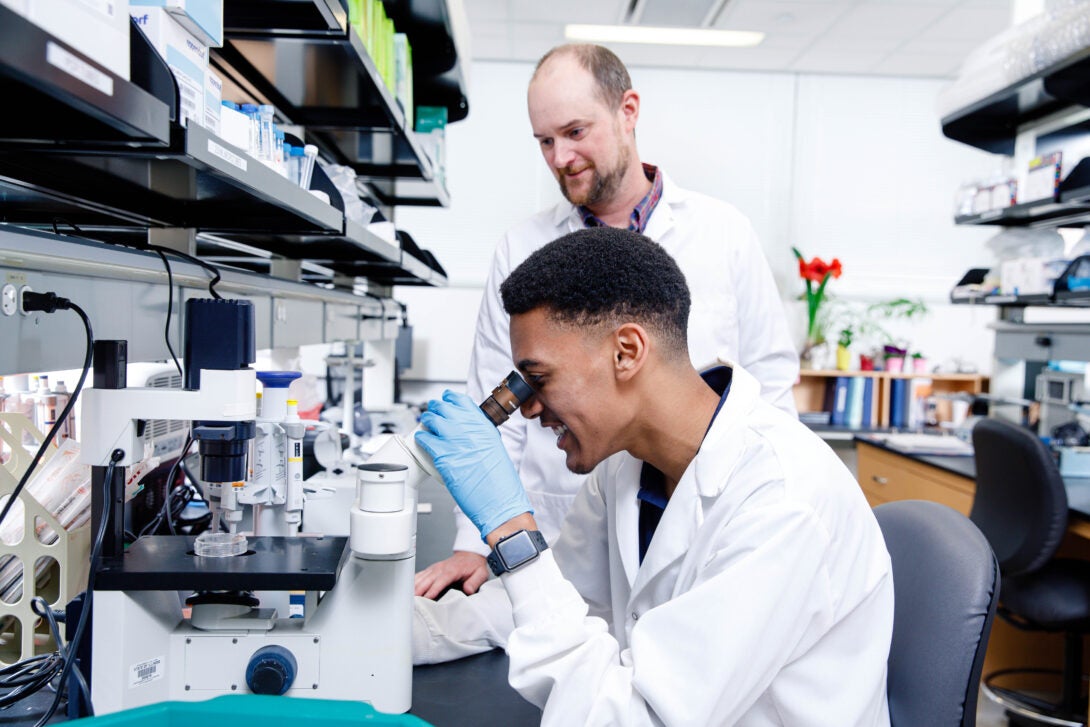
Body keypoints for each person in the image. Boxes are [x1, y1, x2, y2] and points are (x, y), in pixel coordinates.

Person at [413, 227, 893, 725]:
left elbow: (639, 718)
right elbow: (546, 606)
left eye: (539, 378)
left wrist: (512, 531)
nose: (529, 409)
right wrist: (378, 633)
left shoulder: (783, 501)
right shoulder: (624, 469)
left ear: (626, 351)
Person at [414, 43, 799, 599]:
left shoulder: (724, 233)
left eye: (575, 131)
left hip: (695, 515)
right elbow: (500, 403)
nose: (560, 156)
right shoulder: (522, 247)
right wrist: (474, 542)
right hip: (560, 521)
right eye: (544, 141)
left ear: (628, 110)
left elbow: (770, 381)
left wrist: (763, 501)